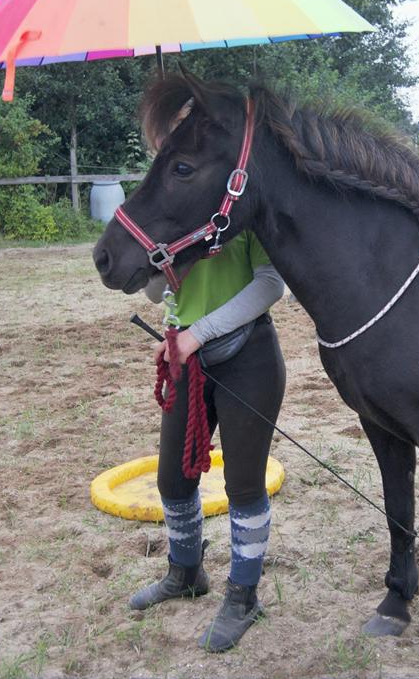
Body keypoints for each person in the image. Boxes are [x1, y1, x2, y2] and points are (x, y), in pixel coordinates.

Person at [130, 229, 286, 654]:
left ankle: (243, 597)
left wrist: (200, 332)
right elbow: (154, 293)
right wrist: (162, 257)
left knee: (244, 485)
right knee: (173, 480)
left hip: (248, 358)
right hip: (186, 356)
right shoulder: (169, 212)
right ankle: (185, 574)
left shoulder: (242, 209)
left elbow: (272, 283)